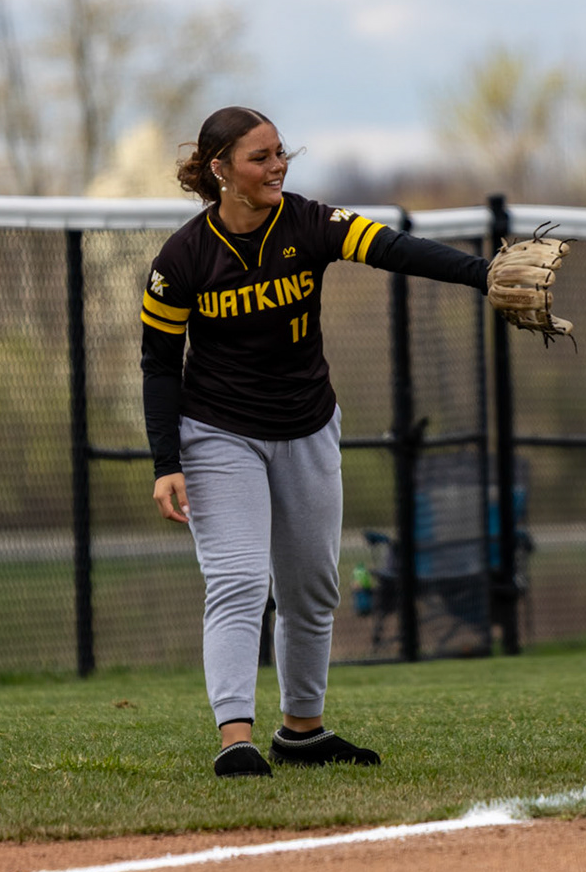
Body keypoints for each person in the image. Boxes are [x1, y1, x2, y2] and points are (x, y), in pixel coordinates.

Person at [141, 106, 490, 777]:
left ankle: (301, 731)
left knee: (311, 587)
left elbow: (394, 248)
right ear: (220, 170)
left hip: (306, 423)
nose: (277, 167)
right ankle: (235, 739)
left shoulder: (309, 222)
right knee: (240, 580)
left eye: (281, 153)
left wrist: (483, 273)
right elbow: (159, 365)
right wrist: (166, 461)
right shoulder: (182, 257)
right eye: (260, 157)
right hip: (219, 433)